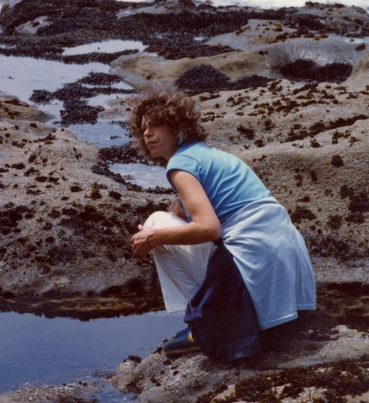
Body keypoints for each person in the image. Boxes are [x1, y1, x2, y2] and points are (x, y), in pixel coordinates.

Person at [128, 88, 316, 360]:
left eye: (156, 124)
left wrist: (155, 237)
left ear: (177, 127)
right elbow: (231, 215)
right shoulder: (212, 155)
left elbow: (209, 229)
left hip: (255, 260)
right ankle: (209, 317)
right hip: (288, 277)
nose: (147, 134)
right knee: (170, 224)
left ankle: (203, 325)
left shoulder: (180, 165)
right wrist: (186, 214)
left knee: (155, 222)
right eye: (144, 128)